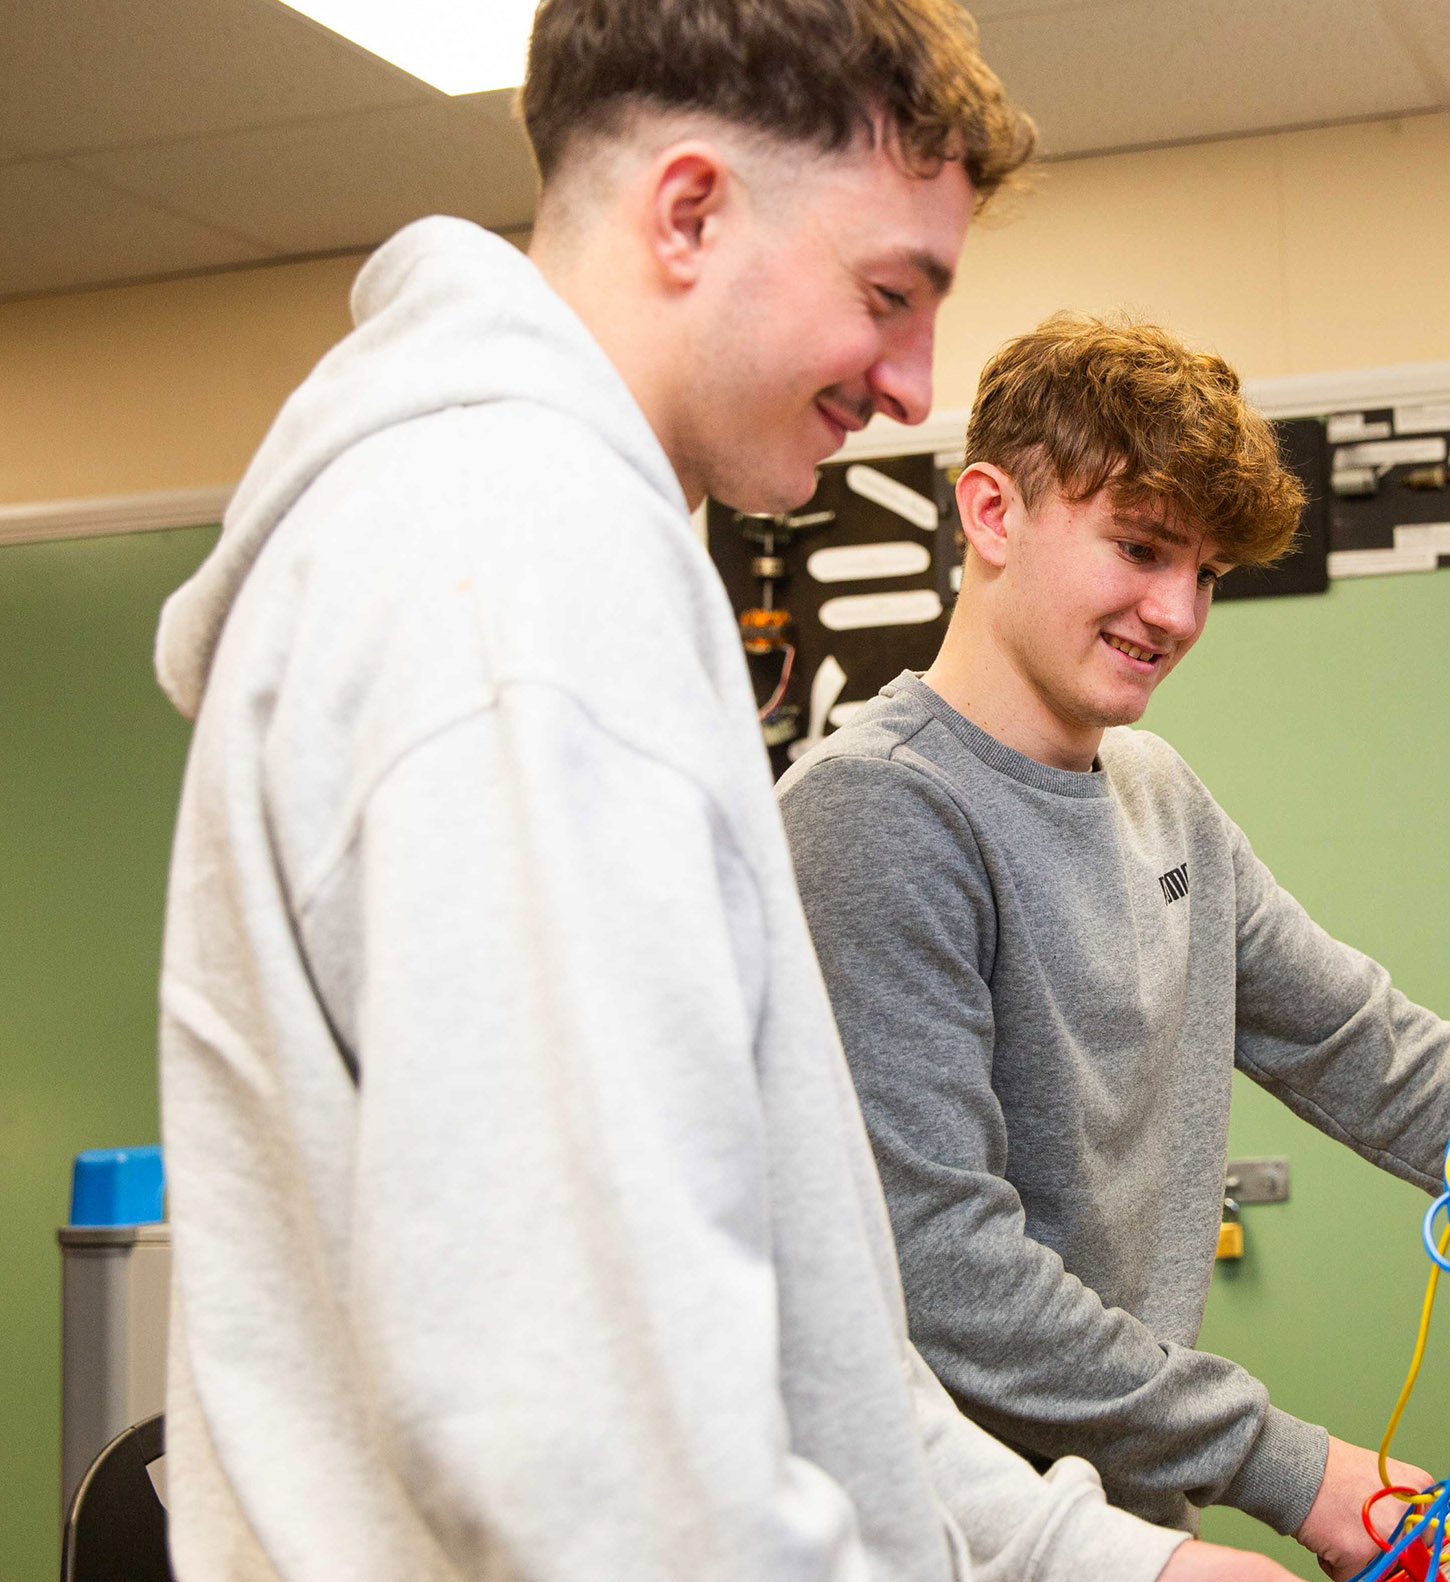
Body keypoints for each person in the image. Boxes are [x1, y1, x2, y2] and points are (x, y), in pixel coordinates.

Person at [153, 5, 1292, 1577]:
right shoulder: (507, 582)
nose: (911, 383)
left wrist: (1109, 1558)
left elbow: (781, 1320)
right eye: (889, 296)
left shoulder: (582, 556)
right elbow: (572, 1436)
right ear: (690, 213)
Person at [777, 314, 1450, 1578]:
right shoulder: (878, 813)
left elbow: (1366, 1048)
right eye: (1138, 550)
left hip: (1133, 1526)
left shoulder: (1154, 793)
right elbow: (943, 1273)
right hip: (949, 1544)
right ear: (990, 513)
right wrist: (1294, 1469)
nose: (1176, 612)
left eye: (1205, 575)